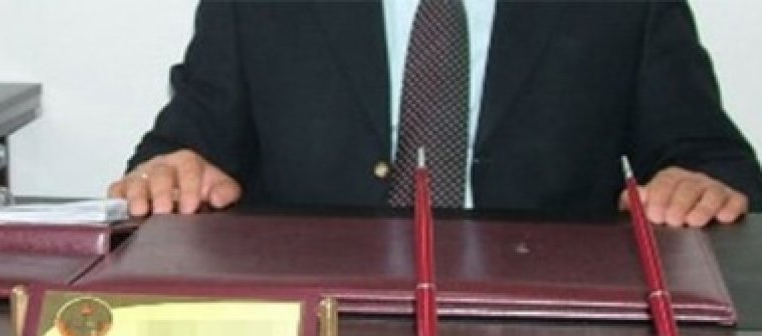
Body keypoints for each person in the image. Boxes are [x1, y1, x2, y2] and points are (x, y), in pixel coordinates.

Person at [108, 0, 762, 227]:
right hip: (320, 330)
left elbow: (713, 159)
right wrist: (173, 168)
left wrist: (697, 185)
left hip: (545, 334)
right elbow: (187, 144)